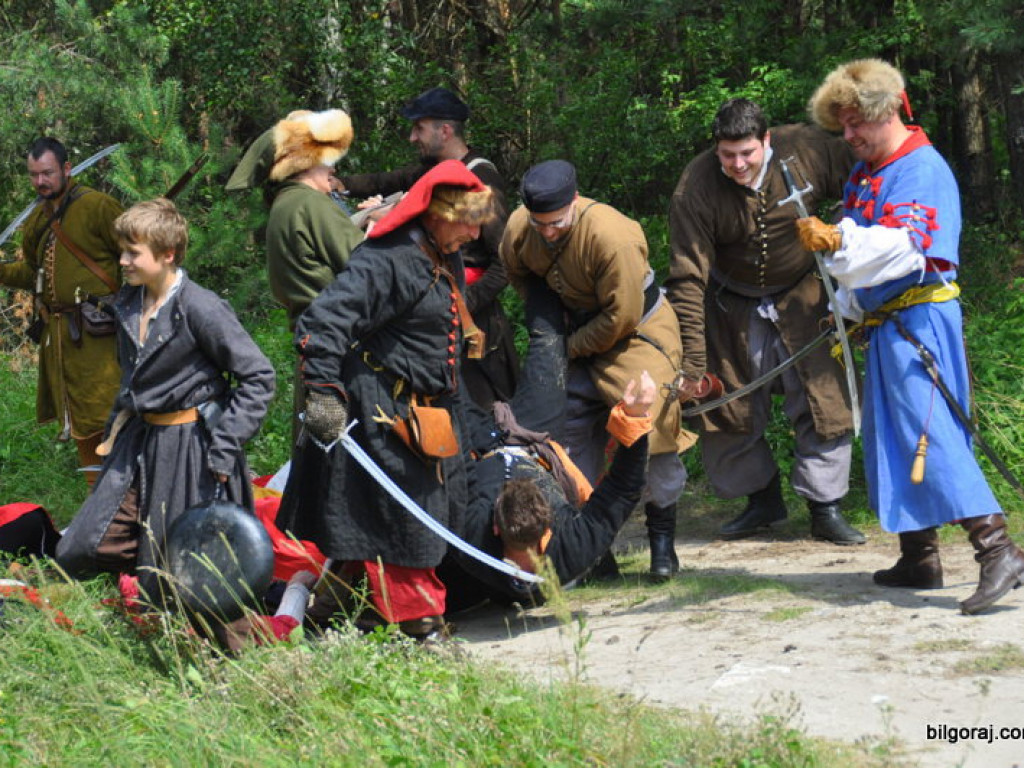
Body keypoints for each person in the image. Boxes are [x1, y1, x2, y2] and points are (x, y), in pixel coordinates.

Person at [802, 58, 1024, 614]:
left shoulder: (921, 168)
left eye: (856, 122)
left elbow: (903, 249)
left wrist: (838, 242)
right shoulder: (865, 175)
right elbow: (856, 265)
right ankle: (919, 556)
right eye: (842, 125)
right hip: (887, 324)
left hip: (921, 321)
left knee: (932, 433)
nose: (848, 135)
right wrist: (847, 310)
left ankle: (999, 551)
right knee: (893, 437)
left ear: (886, 112)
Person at [277, 160, 497, 641]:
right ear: (439, 214)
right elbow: (321, 325)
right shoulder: (386, 258)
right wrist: (324, 400)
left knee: (407, 513)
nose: (475, 233)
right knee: (404, 519)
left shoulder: (442, 254)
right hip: (379, 410)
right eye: (468, 222)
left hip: (425, 411)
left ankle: (341, 609)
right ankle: (418, 624)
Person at [55, 199, 275, 605]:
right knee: (81, 546)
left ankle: (162, 592)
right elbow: (132, 380)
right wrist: (115, 435)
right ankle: (142, 570)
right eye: (122, 251)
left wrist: (225, 447)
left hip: (192, 447)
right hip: (139, 440)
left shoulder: (201, 307)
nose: (123, 261)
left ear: (168, 254)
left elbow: (258, 377)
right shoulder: (128, 302)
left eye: (132, 253)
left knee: (180, 577)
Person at [665, 98, 865, 545]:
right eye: (727, 154)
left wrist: (844, 227)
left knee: (822, 397)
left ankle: (825, 506)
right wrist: (692, 363)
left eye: (747, 153)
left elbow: (866, 180)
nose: (737, 164)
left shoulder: (807, 149)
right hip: (730, 306)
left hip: (803, 294)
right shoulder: (695, 187)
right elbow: (687, 278)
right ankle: (762, 500)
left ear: (766, 140)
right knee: (725, 406)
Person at [500, 159, 693, 581]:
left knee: (652, 428)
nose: (548, 232)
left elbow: (621, 316)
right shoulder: (518, 228)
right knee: (560, 436)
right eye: (539, 223)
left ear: (574, 201)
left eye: (556, 223)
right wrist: (549, 325)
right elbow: (518, 275)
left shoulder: (612, 236)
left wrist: (564, 348)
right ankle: (590, 547)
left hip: (634, 332)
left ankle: (662, 542)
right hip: (574, 332)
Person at [439, 279, 656, 610]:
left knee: (449, 378)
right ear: (548, 528)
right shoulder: (573, 546)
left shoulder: (473, 539)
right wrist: (634, 419)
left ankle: (435, 298)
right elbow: (623, 490)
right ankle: (540, 270)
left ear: (495, 526)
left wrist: (448, 377)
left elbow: (461, 468)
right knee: (549, 342)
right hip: (532, 440)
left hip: (483, 447)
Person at [334, 87, 518, 410]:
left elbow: (505, 261)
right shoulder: (431, 171)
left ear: (444, 131)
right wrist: (341, 185)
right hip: (436, 317)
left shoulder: (481, 181)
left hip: (474, 321)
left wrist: (463, 304)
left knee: (483, 413)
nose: (412, 137)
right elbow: (385, 181)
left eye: (419, 128)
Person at [226, 108, 364, 437]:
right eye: (327, 157)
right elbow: (368, 267)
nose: (333, 166)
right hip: (339, 348)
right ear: (305, 160)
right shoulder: (309, 203)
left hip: (320, 345)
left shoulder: (291, 202)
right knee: (345, 453)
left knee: (323, 451)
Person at [0, 137, 123, 487]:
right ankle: (99, 502)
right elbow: (32, 273)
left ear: (67, 169)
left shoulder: (99, 206)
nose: (40, 181)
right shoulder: (37, 219)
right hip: (61, 339)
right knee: (81, 421)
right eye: (34, 175)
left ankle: (128, 500)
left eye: (48, 173)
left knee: (110, 415)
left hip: (101, 335)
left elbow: (135, 258)